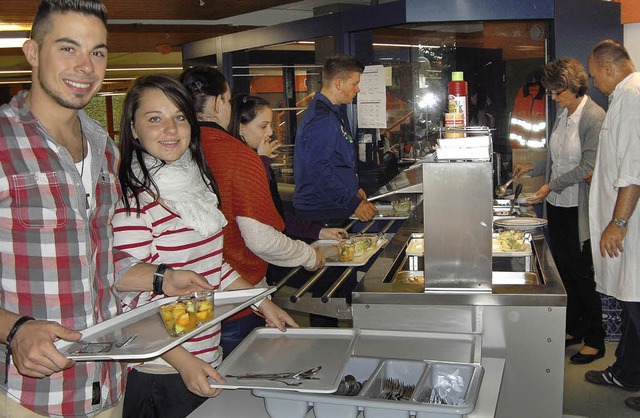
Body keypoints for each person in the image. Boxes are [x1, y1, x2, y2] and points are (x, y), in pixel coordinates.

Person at [0, 2, 212, 416]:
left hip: (108, 384)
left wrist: (161, 277)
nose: (86, 66)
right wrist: (15, 330)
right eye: (68, 48)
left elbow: (96, 256)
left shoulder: (104, 147)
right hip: (28, 396)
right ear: (32, 52)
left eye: (97, 52)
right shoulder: (5, 143)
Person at [111, 74, 297, 417]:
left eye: (179, 117)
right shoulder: (133, 204)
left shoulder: (196, 185)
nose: (171, 129)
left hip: (206, 355)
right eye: (155, 119)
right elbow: (130, 307)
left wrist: (260, 302)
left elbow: (213, 266)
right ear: (133, 129)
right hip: (162, 372)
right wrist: (185, 363)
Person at [179, 67, 323, 356]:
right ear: (219, 103)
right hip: (236, 300)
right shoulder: (240, 156)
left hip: (184, 299)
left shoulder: (176, 150)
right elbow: (260, 238)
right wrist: (309, 255)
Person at [513, 58, 606, 364]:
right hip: (558, 206)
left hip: (579, 206)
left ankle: (595, 340)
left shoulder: (594, 116)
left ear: (573, 86)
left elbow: (588, 166)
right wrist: (533, 166)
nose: (552, 98)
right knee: (564, 270)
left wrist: (550, 185)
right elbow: (555, 157)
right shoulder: (563, 114)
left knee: (581, 273)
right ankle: (575, 327)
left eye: (557, 92)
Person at [582, 39, 640, 413]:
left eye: (592, 74)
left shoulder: (632, 97)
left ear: (607, 68)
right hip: (625, 227)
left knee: (637, 304)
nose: (592, 81)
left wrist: (617, 222)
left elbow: (634, 169)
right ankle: (628, 371)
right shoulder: (623, 97)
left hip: (631, 228)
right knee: (632, 305)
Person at [227, 94, 347, 243]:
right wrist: (263, 160)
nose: (270, 132)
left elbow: (277, 213)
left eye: (270, 125)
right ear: (240, 128)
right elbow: (258, 204)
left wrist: (319, 232)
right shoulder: (237, 164)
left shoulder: (256, 160)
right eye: (263, 126)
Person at [293, 55, 377, 225]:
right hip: (321, 212)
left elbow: (336, 160)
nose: (358, 89)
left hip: (332, 206)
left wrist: (353, 189)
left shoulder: (334, 112)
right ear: (338, 83)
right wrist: (352, 203)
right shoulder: (322, 118)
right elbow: (317, 169)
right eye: (354, 84)